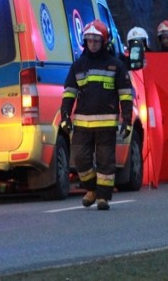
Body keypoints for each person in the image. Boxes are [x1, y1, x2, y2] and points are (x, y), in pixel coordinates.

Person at [60, 19, 133, 210]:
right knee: (80, 160)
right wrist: (65, 115)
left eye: (96, 40)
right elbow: (69, 92)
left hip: (106, 125)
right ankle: (91, 190)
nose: (92, 44)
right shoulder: (78, 65)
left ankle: (103, 197)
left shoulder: (116, 66)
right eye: (89, 40)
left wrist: (127, 121)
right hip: (82, 124)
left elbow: (125, 95)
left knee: (105, 162)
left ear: (104, 42)